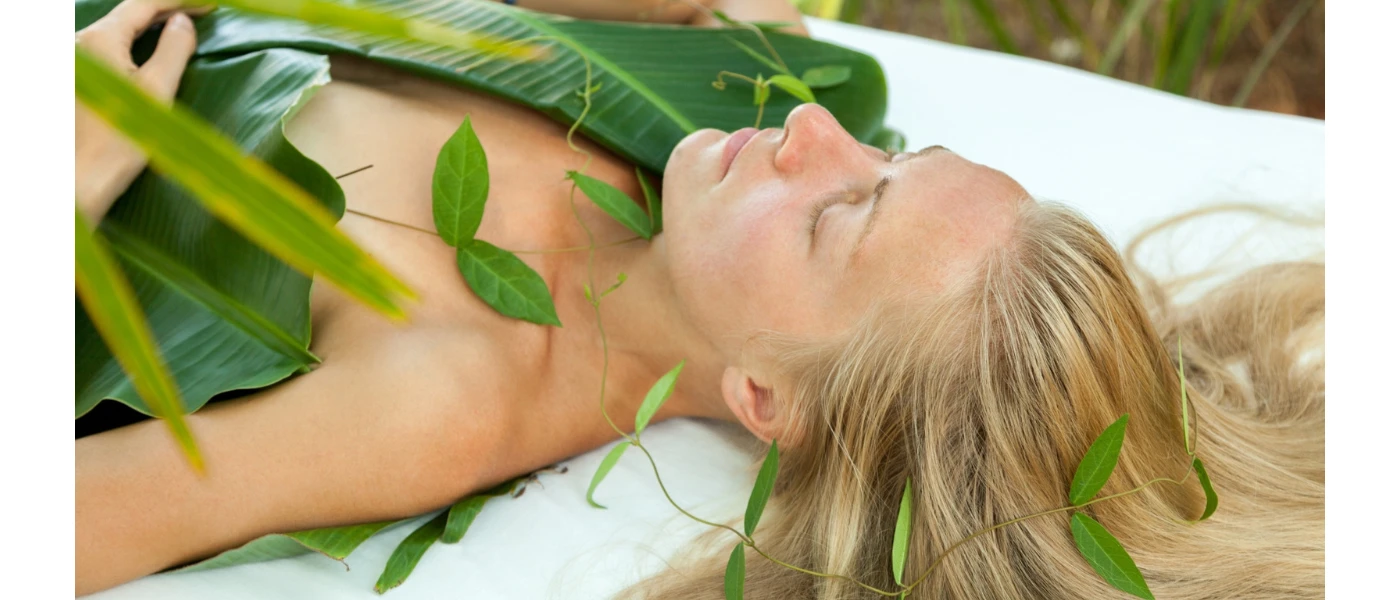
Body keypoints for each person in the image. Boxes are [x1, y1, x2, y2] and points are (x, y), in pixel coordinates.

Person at [75, 0, 1325, 598]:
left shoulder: (445, 397)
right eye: (884, 162)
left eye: (844, 213)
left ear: (763, 396)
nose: (818, 133)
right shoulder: (710, 100)